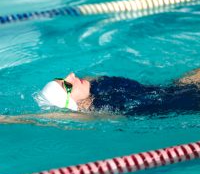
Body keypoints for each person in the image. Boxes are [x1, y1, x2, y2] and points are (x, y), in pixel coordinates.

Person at [1, 69, 200, 125]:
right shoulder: (99, 112)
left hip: (174, 87)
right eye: (67, 84)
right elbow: (54, 117)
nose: (71, 75)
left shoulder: (95, 86)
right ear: (71, 102)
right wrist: (9, 119)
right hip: (186, 101)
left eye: (62, 78)